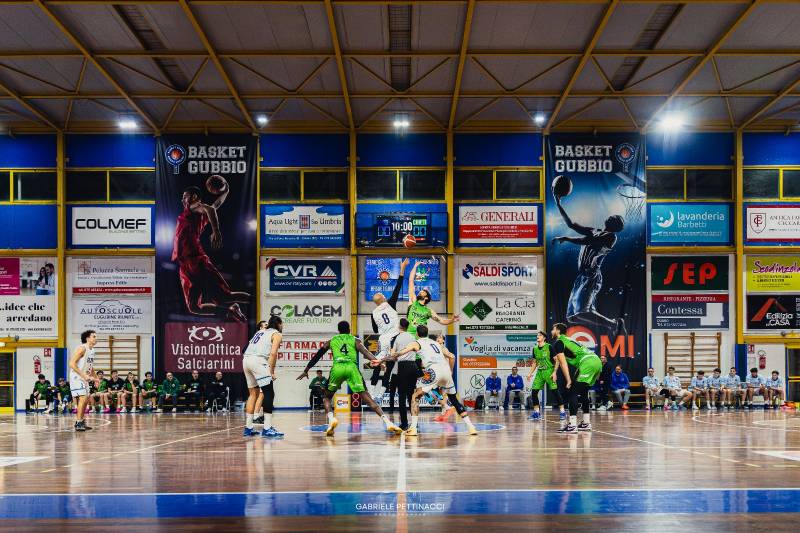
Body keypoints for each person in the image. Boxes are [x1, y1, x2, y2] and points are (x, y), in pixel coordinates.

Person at [297, 320, 403, 437]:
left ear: (339, 330)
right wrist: (379, 362)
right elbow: (366, 353)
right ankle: (387, 422)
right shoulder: (355, 340)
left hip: (337, 368)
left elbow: (317, 355)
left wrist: (306, 369)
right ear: (349, 330)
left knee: (326, 397)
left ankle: (332, 420)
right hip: (352, 369)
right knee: (368, 398)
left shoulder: (332, 341)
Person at [552, 187, 626, 338]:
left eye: (615, 218)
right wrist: (558, 203)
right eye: (612, 216)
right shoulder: (594, 230)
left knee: (582, 311)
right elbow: (571, 224)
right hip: (581, 277)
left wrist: (566, 238)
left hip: (592, 276)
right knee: (571, 317)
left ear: (616, 226)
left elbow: (586, 240)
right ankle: (612, 324)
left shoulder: (611, 237)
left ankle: (614, 323)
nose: (611, 217)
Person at [171, 185, 250, 322]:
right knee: (195, 307)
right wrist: (226, 192)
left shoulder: (194, 208)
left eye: (185, 196)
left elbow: (210, 208)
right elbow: (216, 205)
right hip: (185, 265)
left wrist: (216, 230)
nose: (182, 199)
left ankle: (258, 301)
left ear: (194, 197)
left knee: (224, 297)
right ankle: (230, 311)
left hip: (196, 262)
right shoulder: (196, 215)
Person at [382, 325, 477, 436]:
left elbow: (399, 354)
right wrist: (450, 371)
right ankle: (471, 427)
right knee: (454, 400)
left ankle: (413, 428)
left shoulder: (416, 343)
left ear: (417, 334)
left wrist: (383, 359)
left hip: (433, 371)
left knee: (415, 396)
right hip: (446, 372)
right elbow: (452, 356)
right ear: (427, 333)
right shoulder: (436, 343)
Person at [550, 323, 601, 433]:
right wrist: (555, 372)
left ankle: (572, 425)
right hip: (596, 361)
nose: (551, 332)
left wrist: (568, 380)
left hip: (587, 363)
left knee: (572, 391)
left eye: (553, 329)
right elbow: (560, 360)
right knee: (583, 392)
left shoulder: (558, 342)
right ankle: (586, 423)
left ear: (558, 331)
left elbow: (563, 364)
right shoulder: (568, 340)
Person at [370, 258, 408, 389]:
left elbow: (375, 330)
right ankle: (385, 386)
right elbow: (398, 286)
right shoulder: (390, 303)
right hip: (394, 337)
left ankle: (373, 384)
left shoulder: (373, 313)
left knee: (378, 360)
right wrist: (402, 268)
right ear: (384, 298)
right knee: (390, 362)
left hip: (383, 339)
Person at [242, 317, 283, 438]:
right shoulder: (277, 334)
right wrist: (271, 370)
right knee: (269, 393)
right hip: (258, 361)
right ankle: (267, 428)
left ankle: (248, 428)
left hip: (246, 360)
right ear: (279, 324)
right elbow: (273, 353)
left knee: (253, 394)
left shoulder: (260, 331)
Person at [406, 260, 459, 337]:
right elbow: (411, 281)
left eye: (423, 291)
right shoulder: (413, 301)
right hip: (409, 335)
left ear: (426, 297)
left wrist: (452, 320)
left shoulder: (429, 311)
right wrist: (415, 267)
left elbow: (442, 321)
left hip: (422, 338)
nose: (420, 291)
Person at [527, 331, 565, 421]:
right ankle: (537, 413)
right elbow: (535, 363)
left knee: (555, 392)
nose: (537, 336)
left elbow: (557, 360)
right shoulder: (535, 348)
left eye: (539, 335)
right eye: (537, 335)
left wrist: (554, 372)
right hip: (540, 372)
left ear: (544, 338)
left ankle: (562, 412)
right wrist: (530, 373)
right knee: (534, 392)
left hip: (549, 371)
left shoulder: (549, 347)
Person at [68, 330, 97, 431]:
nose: (95, 338)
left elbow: (90, 366)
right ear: (88, 338)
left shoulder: (92, 350)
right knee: (83, 398)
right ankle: (78, 422)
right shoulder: (82, 348)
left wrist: (96, 378)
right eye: (94, 336)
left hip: (84, 377)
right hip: (77, 376)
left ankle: (81, 421)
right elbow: (71, 363)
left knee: (86, 400)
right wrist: (83, 375)